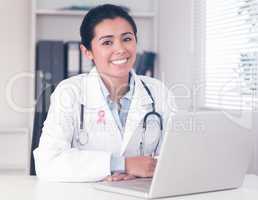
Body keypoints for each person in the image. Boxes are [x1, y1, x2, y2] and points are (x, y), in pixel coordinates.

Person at [33, 4, 176, 182]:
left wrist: (144, 170)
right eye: (107, 42)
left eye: (127, 39)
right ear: (87, 52)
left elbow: (176, 157)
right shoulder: (69, 92)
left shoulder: (158, 92)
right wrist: (122, 164)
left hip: (142, 191)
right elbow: (48, 162)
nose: (120, 49)